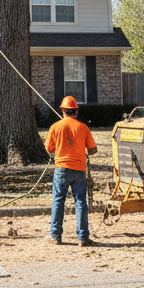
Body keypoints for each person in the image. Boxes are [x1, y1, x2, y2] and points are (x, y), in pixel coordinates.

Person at [46, 95, 98, 247]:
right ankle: (83, 238)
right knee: (80, 202)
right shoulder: (83, 127)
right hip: (79, 169)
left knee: (58, 200)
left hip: (61, 168)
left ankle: (55, 236)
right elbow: (93, 149)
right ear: (76, 111)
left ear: (63, 110)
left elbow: (49, 148)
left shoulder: (55, 127)